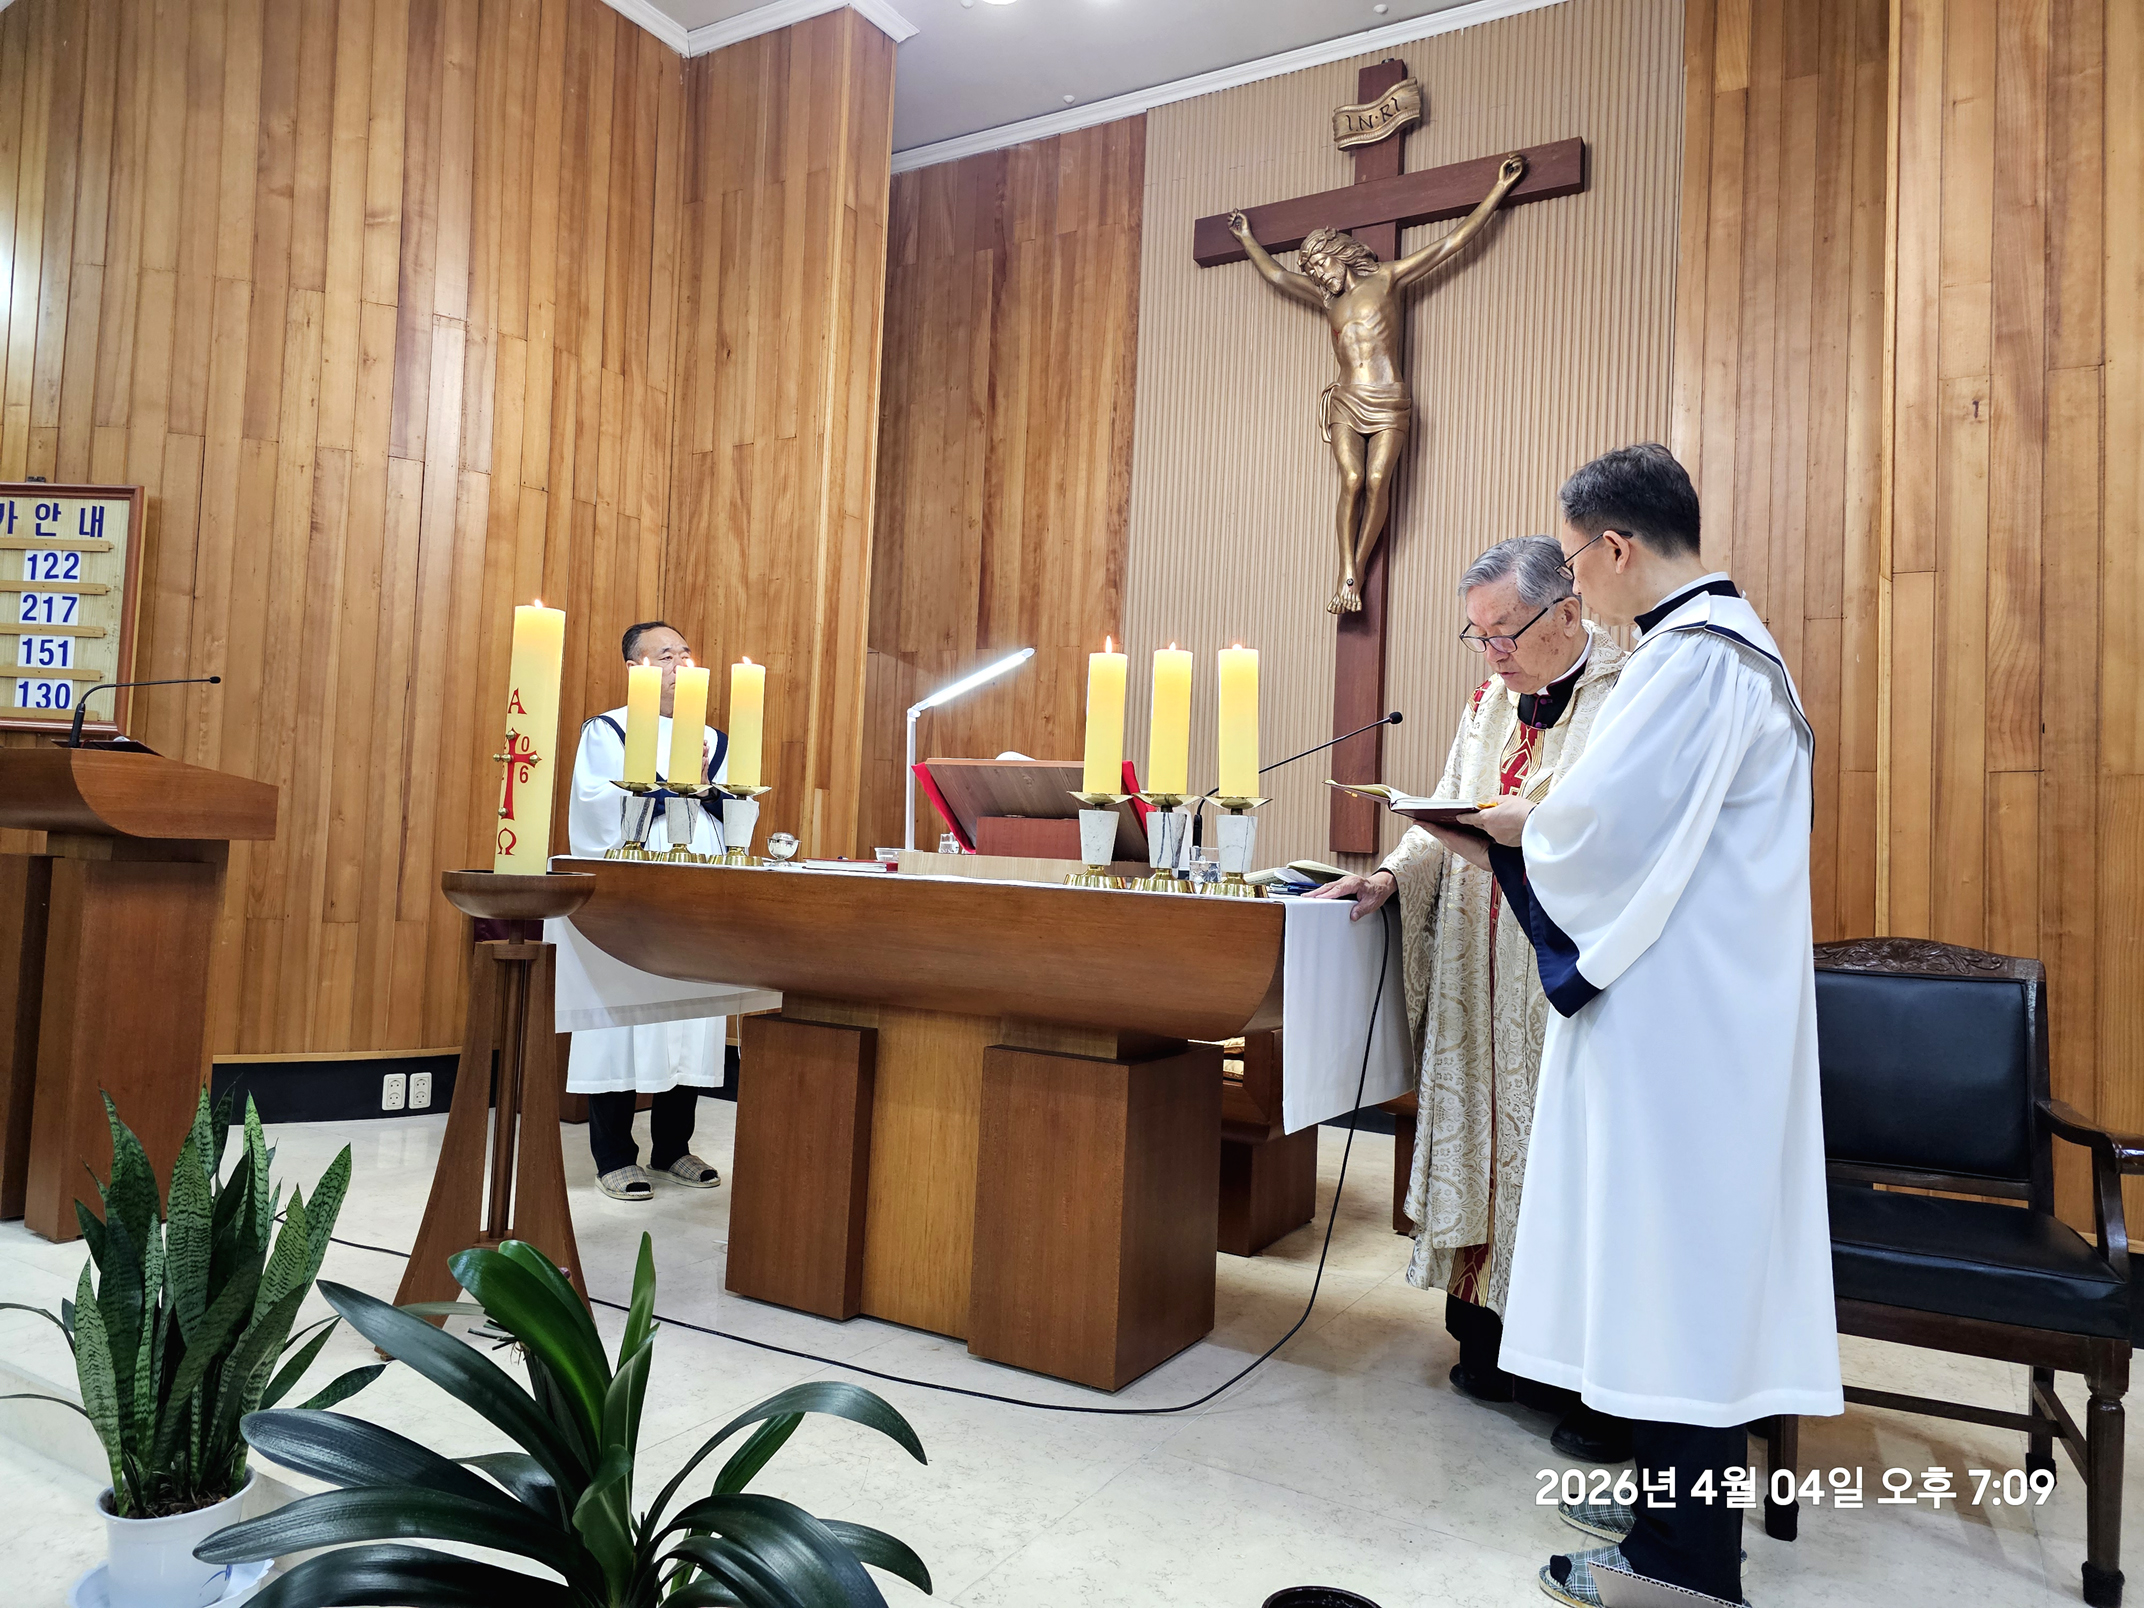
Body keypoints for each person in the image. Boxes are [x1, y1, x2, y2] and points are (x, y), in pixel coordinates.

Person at [1421, 446, 1841, 1607]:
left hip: (1681, 1035)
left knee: (1672, 1286)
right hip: (1697, 1021)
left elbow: (1594, 834)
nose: (1576, 588)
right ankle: (1669, 1518)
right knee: (1675, 1285)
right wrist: (1522, 832)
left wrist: (1503, 831)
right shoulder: (1723, 651)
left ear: (1613, 548)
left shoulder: (1694, 660)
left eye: (1569, 561)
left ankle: (1679, 1571)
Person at [1307, 536, 1632, 1464]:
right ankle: (1490, 1344)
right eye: (1477, 634)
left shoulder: (1629, 695)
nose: (1491, 652)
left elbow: (1607, 830)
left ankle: (1582, 1380)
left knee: (1560, 1158)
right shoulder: (1492, 698)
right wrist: (1387, 879)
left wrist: (1520, 826)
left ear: (1568, 610)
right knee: (1484, 1140)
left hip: (1560, 974)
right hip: (1477, 969)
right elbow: (1446, 805)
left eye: (1506, 631)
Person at [1225, 152, 1529, 614]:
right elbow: (1277, 275)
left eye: (1320, 267)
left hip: (1389, 400)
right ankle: (1348, 573)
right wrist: (1247, 239)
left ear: (1338, 256)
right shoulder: (1326, 300)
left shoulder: (1387, 278)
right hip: (1346, 400)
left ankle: (1358, 569)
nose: (1317, 277)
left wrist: (1498, 191)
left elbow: (1451, 244)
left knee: (1375, 478)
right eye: (1312, 272)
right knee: (1349, 478)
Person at [564, 619, 729, 1202]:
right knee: (625, 1017)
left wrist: (712, 794)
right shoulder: (609, 730)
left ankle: (673, 1147)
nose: (679, 664)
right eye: (664, 655)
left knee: (688, 1012)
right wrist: (673, 792)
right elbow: (595, 805)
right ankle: (613, 1154)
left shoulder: (711, 736)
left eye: (686, 653)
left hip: (696, 890)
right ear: (634, 667)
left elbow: (730, 817)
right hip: (635, 896)